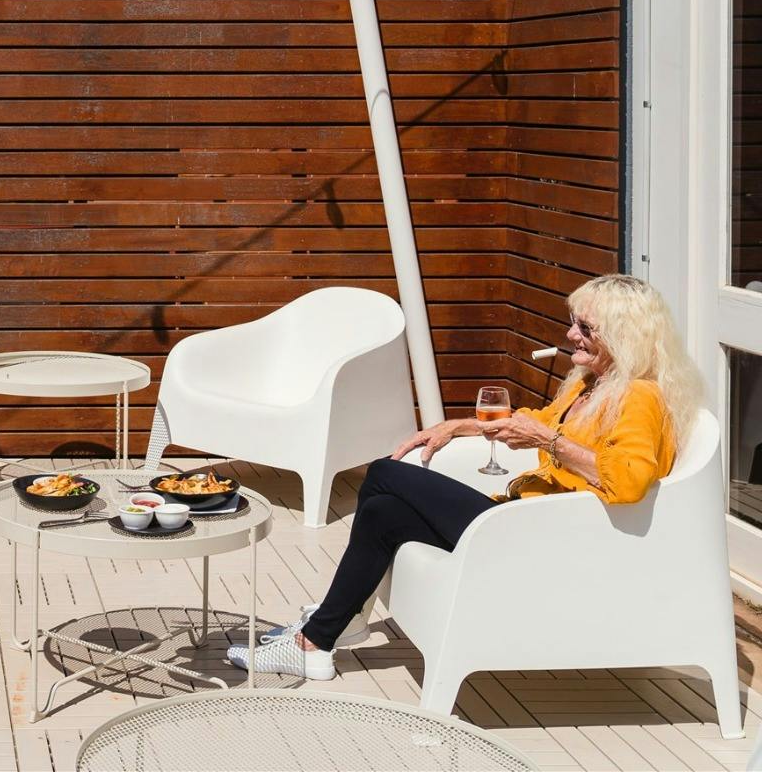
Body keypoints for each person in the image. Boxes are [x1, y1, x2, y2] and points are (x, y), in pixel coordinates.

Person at [227, 272, 704, 680]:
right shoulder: (596, 385)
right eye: (573, 321)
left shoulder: (639, 397)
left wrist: (549, 444)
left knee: (385, 474)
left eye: (586, 327)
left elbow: (628, 481)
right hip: (526, 522)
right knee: (382, 512)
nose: (570, 334)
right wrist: (462, 425)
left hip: (543, 537)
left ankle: (333, 626)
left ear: (624, 335)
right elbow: (541, 419)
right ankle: (318, 641)